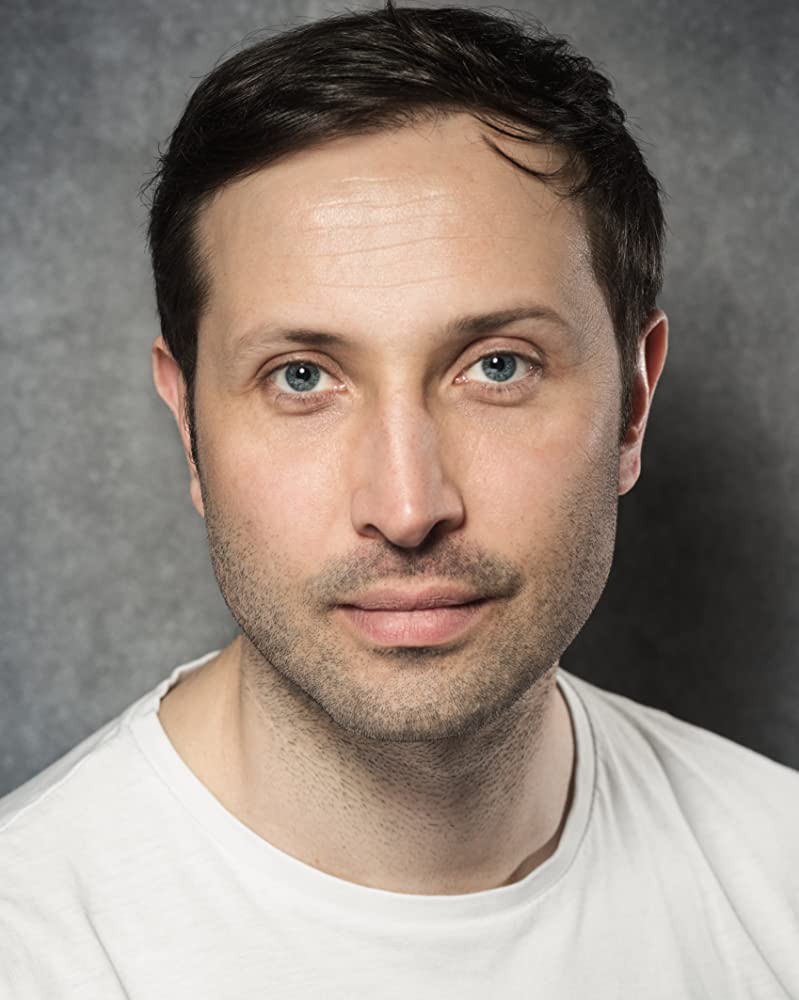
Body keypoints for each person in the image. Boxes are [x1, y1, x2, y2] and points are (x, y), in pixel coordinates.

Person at [2, 1, 797, 995]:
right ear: (188, 426)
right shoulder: (31, 946)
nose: (407, 506)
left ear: (632, 405)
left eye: (497, 366)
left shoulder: (779, 875)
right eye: (301, 377)